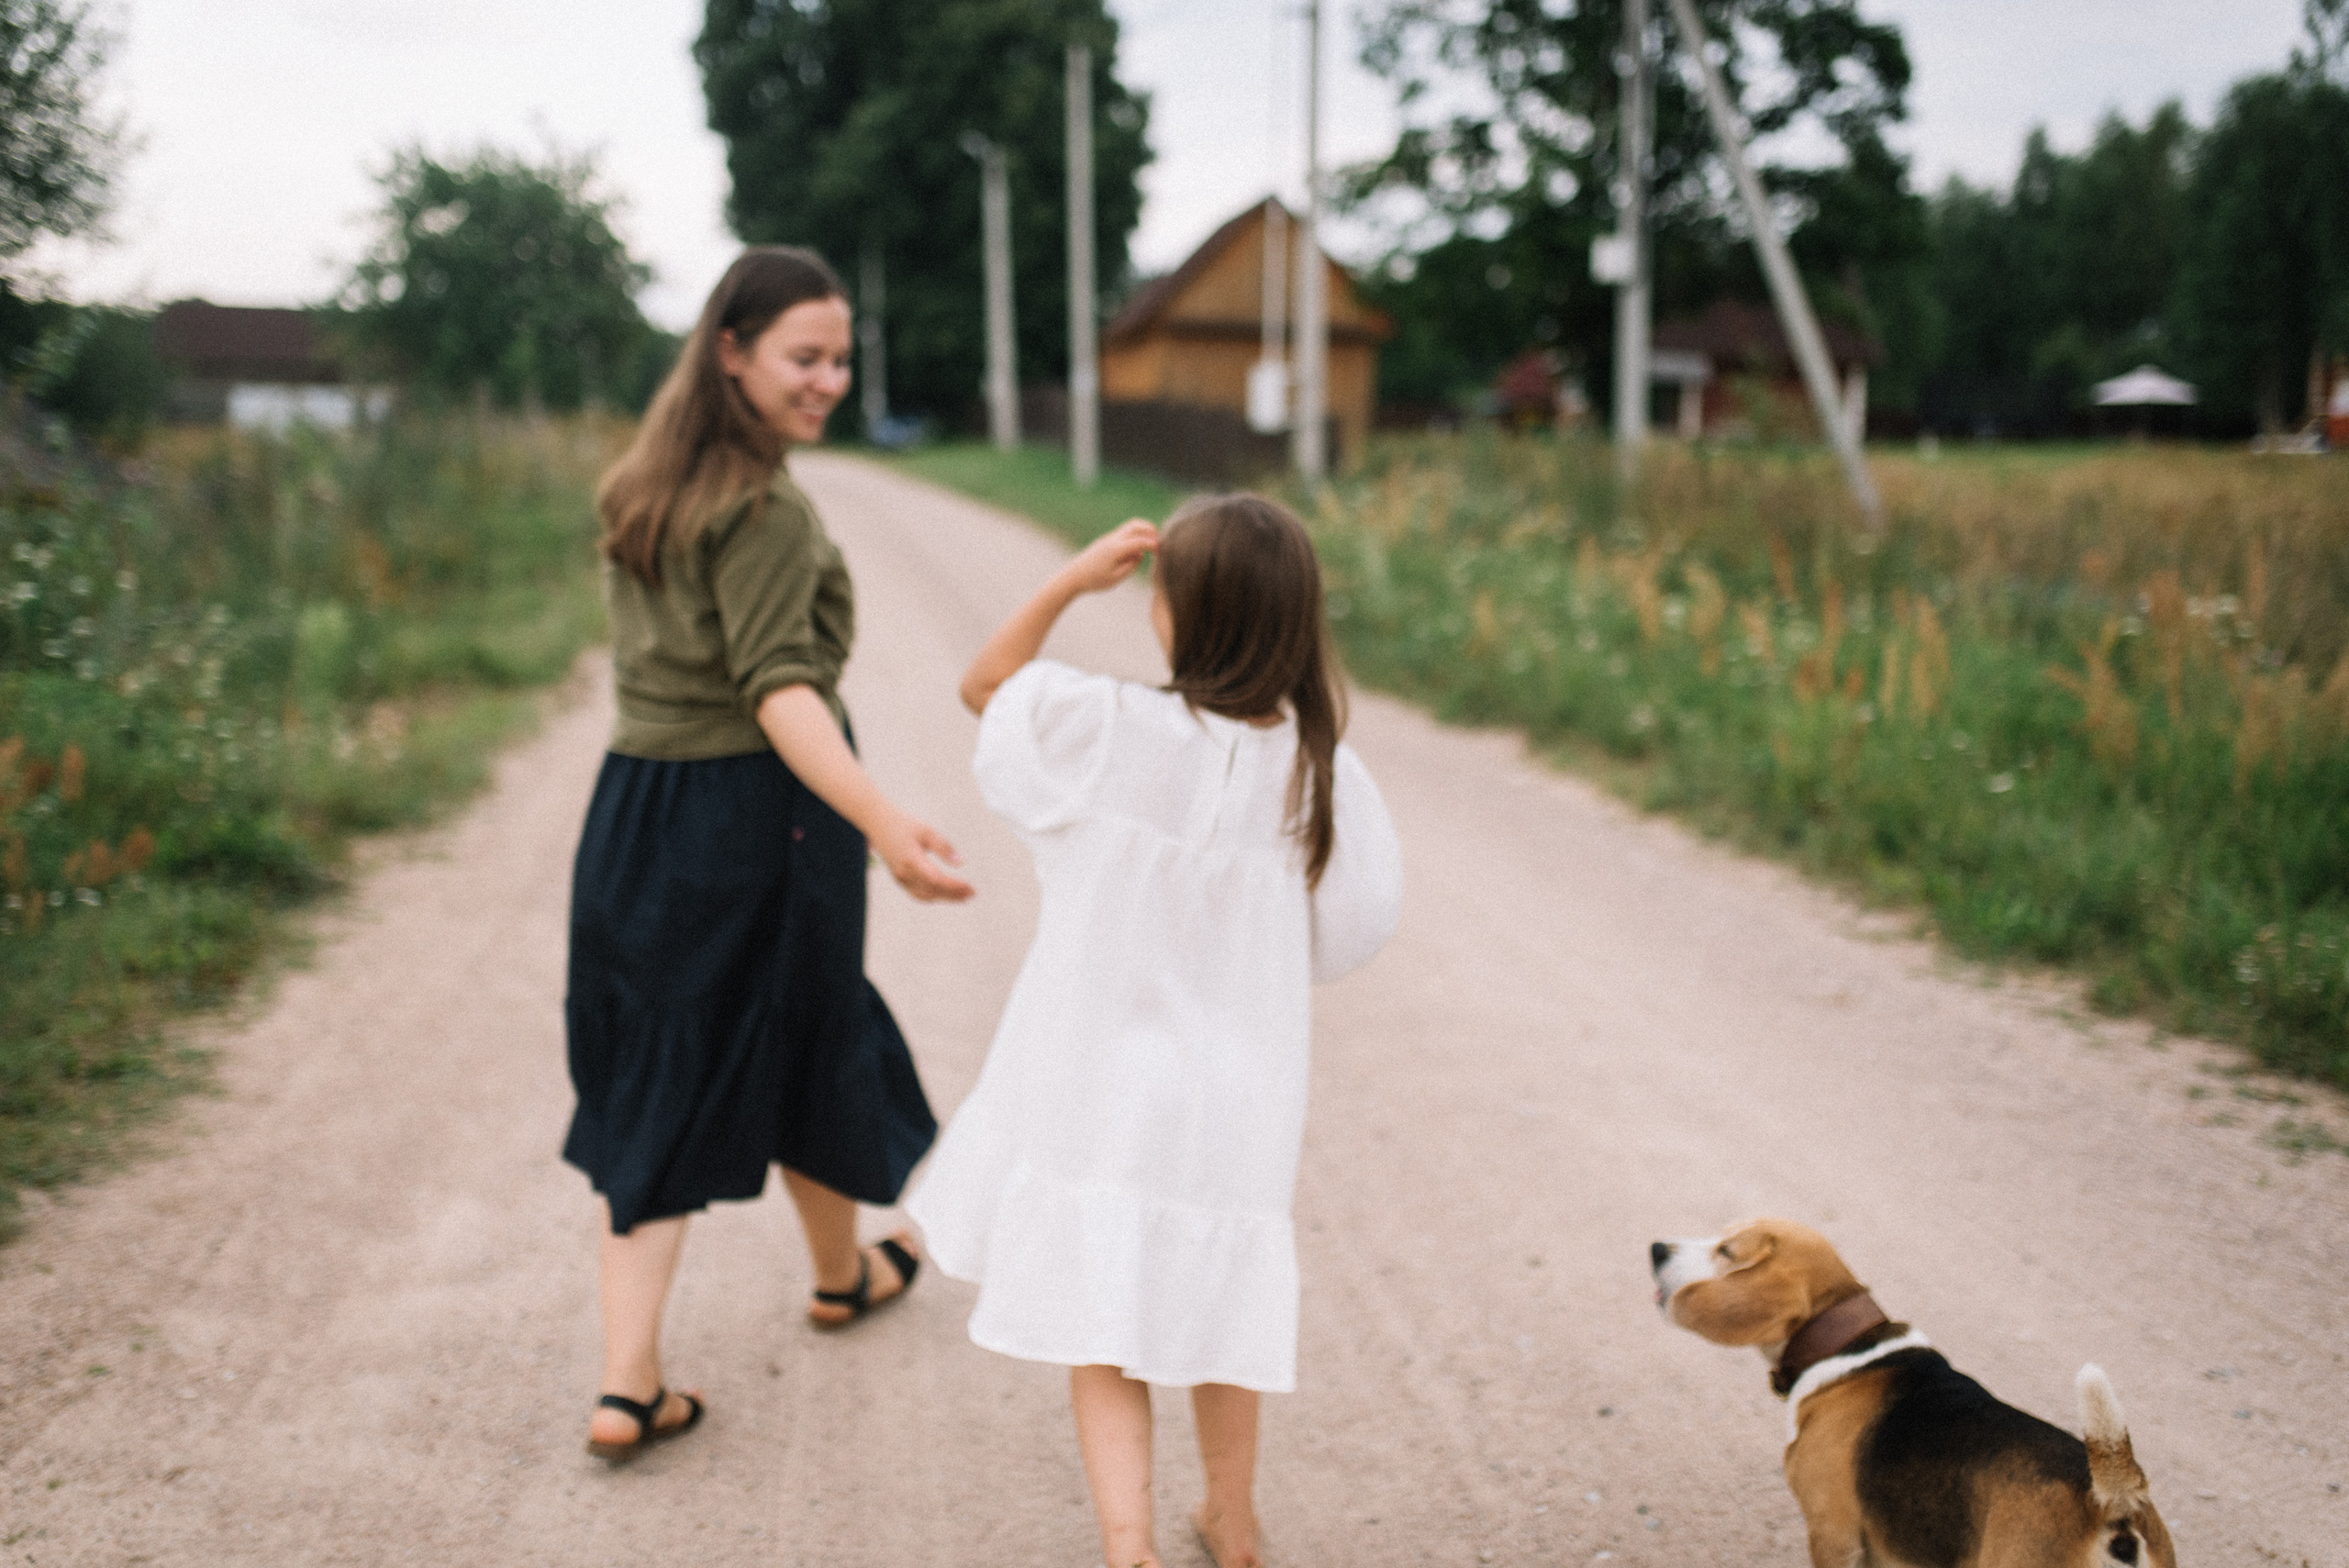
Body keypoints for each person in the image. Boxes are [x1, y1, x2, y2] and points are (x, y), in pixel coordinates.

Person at [906, 495, 1405, 1568]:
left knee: (1105, 1317)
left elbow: (983, 687)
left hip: (1101, 1079)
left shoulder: (1105, 729)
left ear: (1174, 611)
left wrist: (1068, 580)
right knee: (1220, 1306)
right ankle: (1231, 1525)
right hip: (1240, 1097)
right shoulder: (1325, 773)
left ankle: (1128, 1548)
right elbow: (1348, 931)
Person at [563, 247, 974, 1461]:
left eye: (841, 358)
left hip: (638, 809)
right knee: (807, 1023)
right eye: (806, 356)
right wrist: (885, 820)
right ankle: (821, 1285)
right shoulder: (763, 511)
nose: (831, 380)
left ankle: (640, 1377)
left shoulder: (643, 485)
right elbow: (780, 691)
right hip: (757, 813)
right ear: (730, 350)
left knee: (669, 1053)